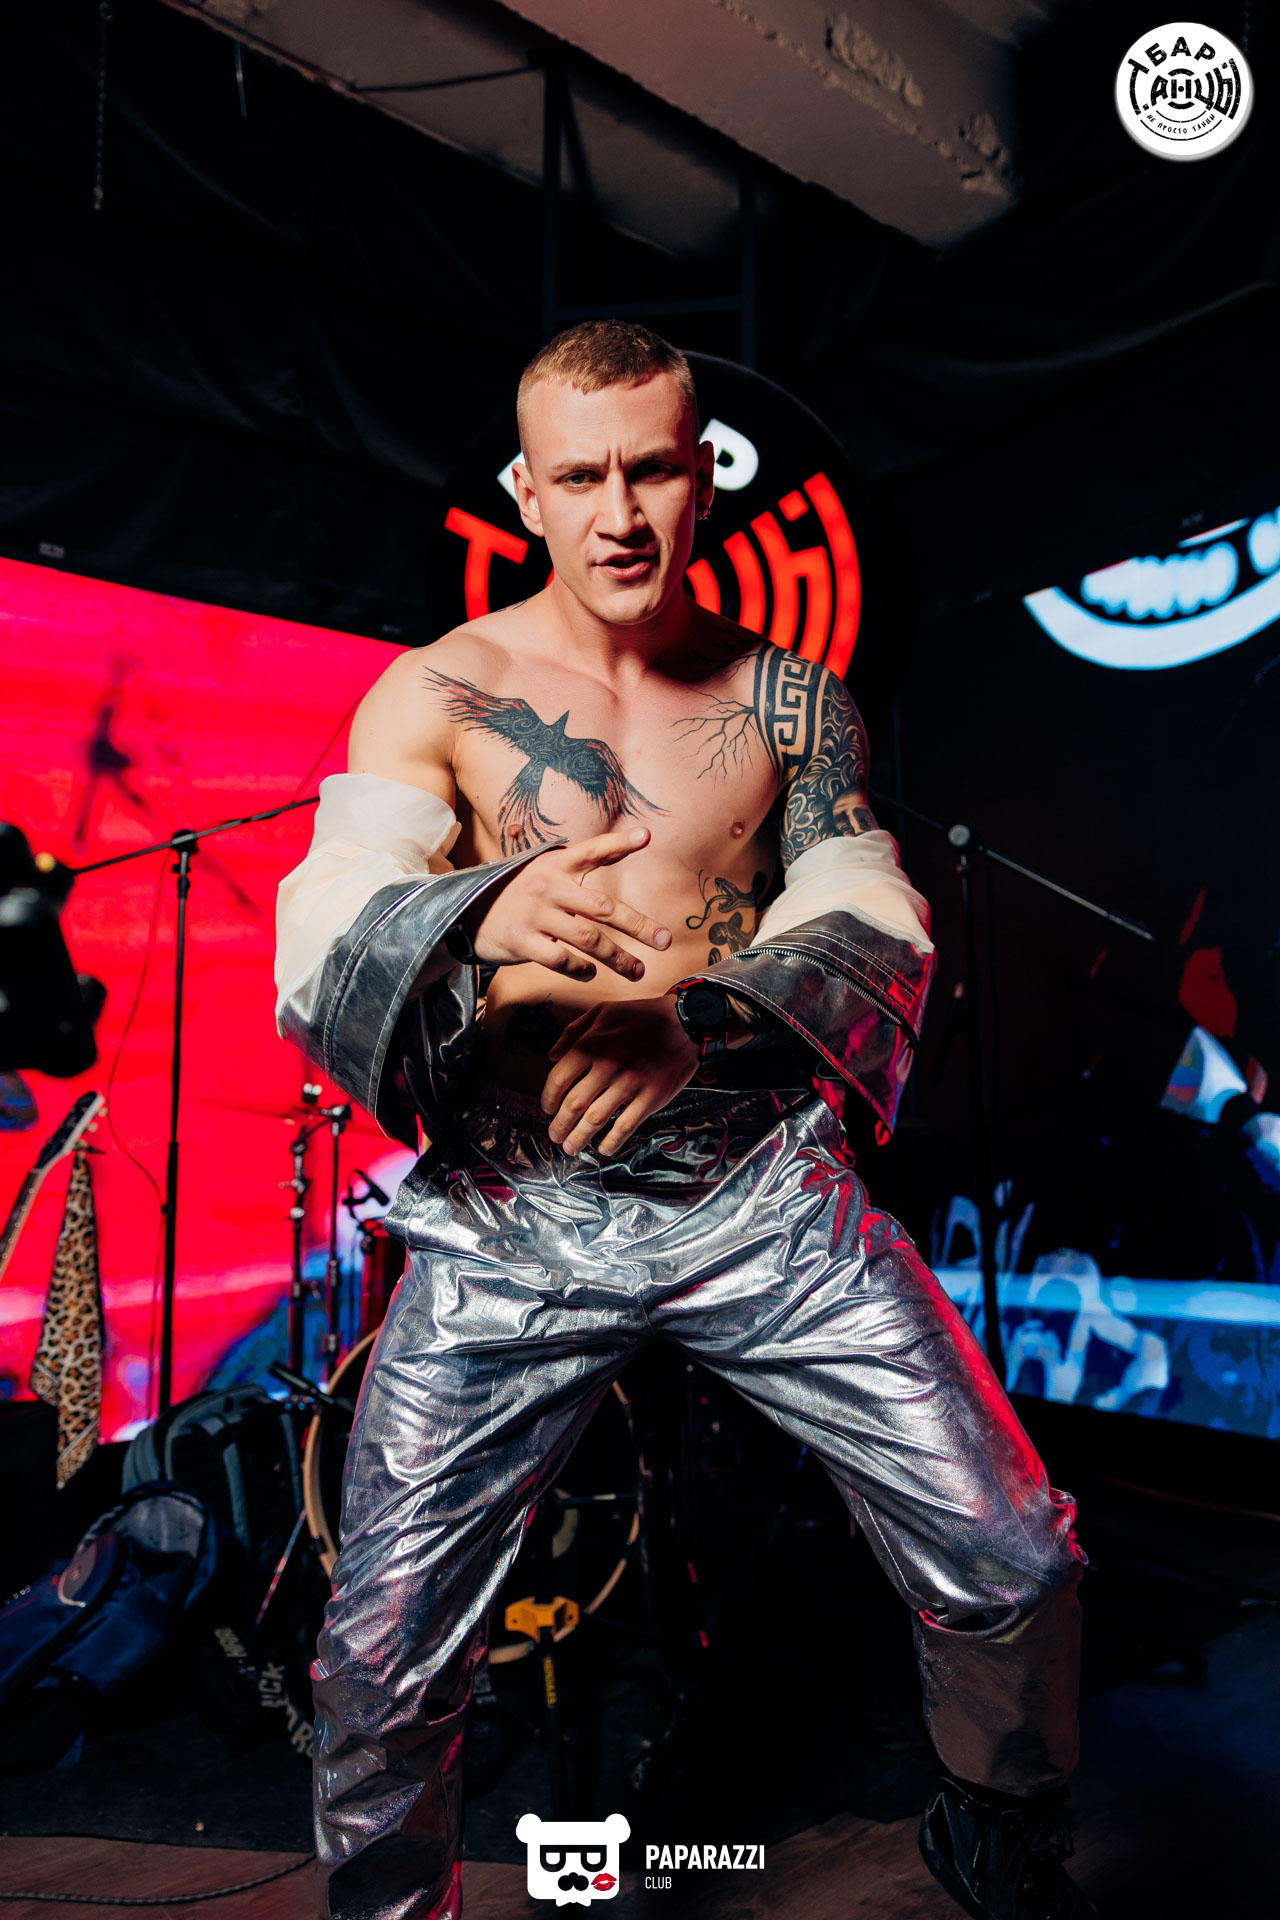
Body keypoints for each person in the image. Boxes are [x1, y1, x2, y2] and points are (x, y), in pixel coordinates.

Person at [275, 320, 1094, 1920]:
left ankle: (1000, 1827)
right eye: (579, 477)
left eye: (651, 470)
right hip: (514, 1210)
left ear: (702, 478)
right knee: (380, 1648)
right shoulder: (438, 691)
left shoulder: (791, 699)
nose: (619, 514)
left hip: (756, 1191)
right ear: (527, 492)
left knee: (1017, 1554)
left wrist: (700, 1021)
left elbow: (866, 903)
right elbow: (328, 929)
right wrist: (482, 931)